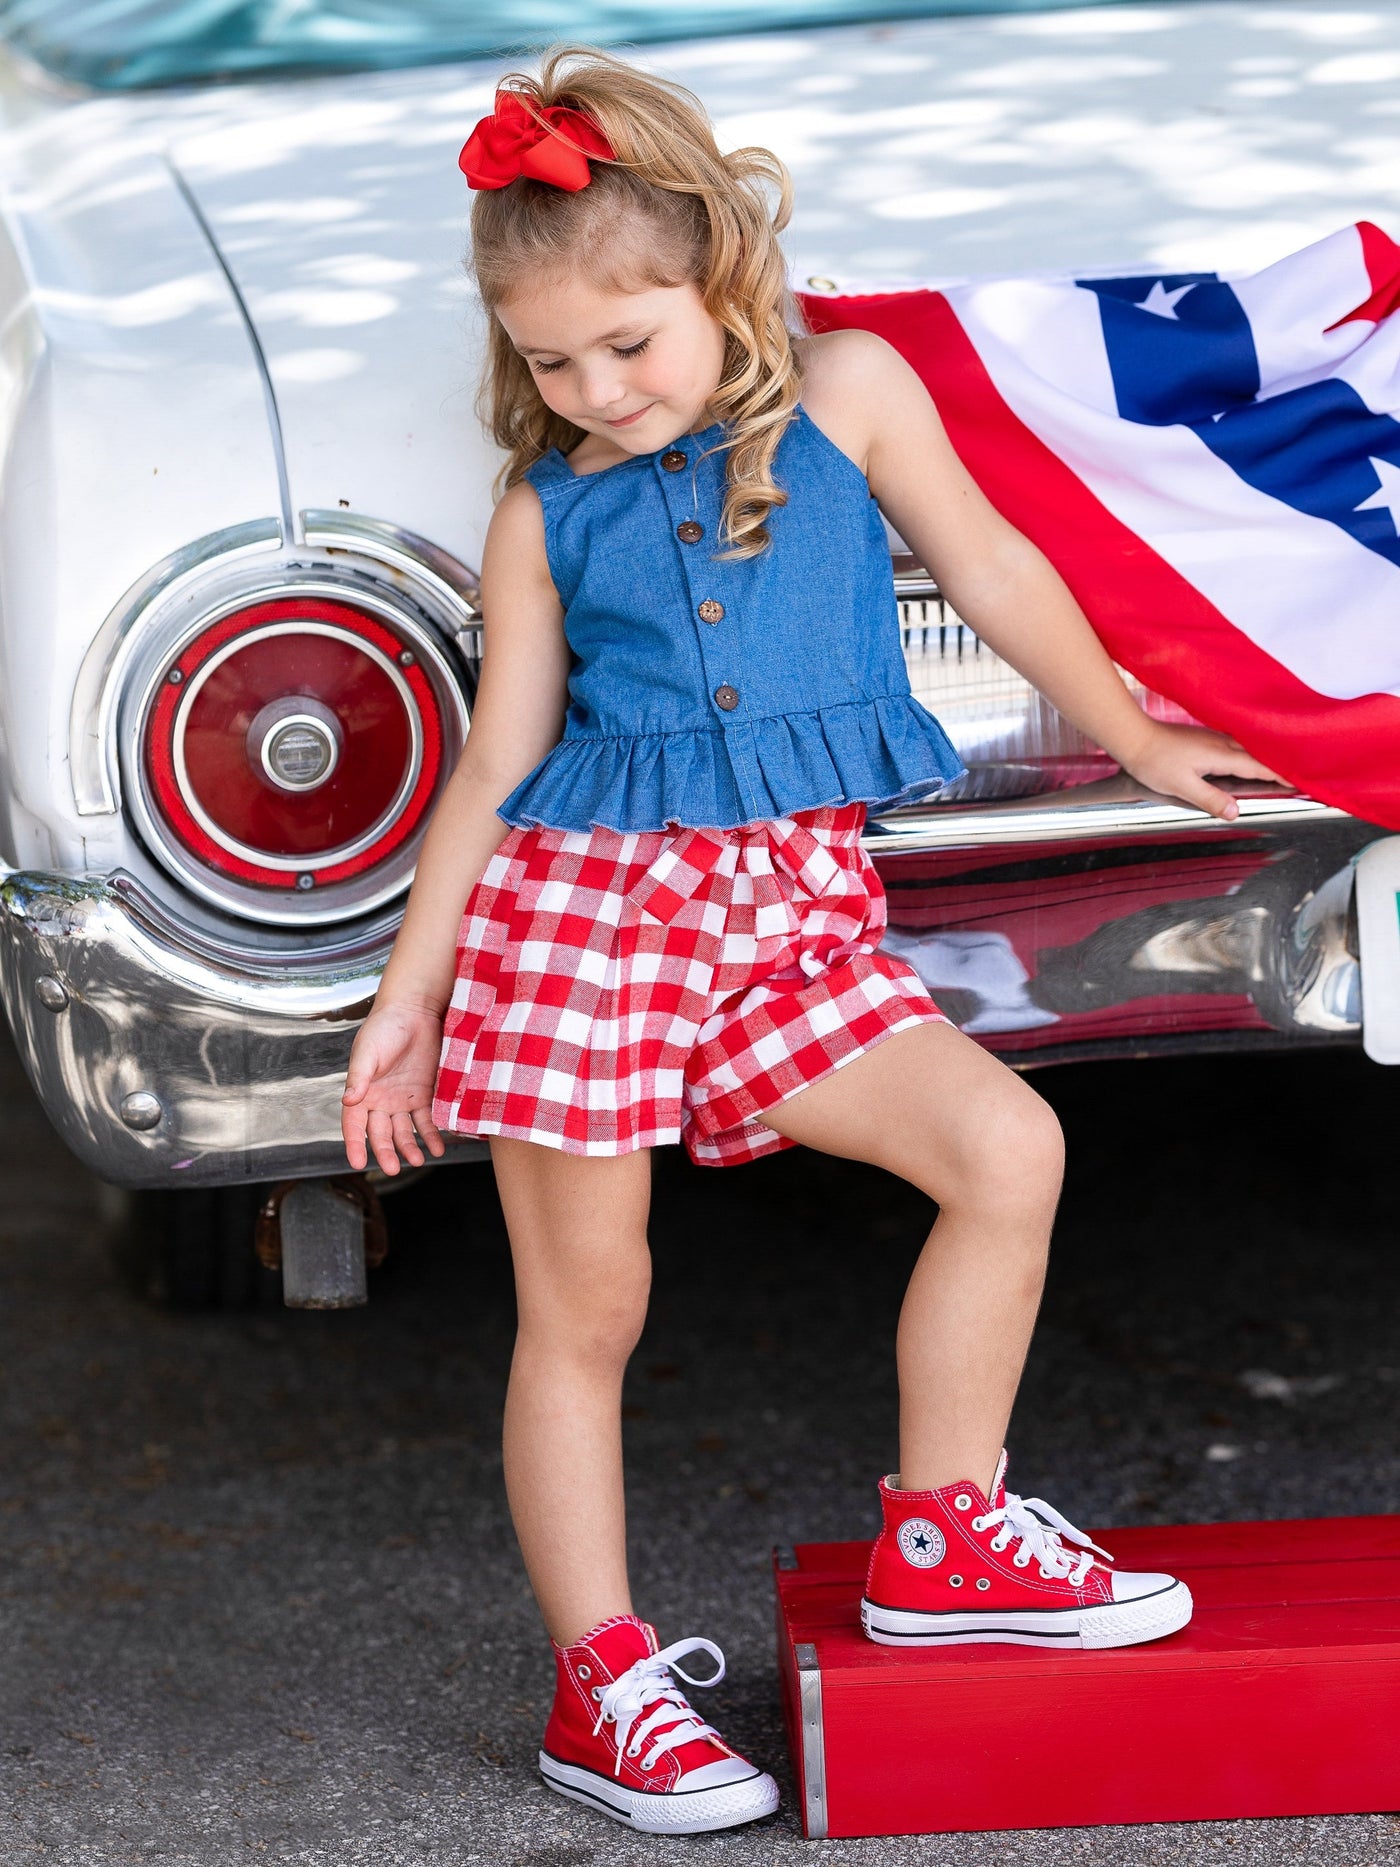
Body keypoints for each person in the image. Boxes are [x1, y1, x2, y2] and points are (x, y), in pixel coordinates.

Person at [341, 47, 1275, 1837]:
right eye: (552, 361)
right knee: (589, 1310)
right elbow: (497, 763)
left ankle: (940, 1529)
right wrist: (408, 999)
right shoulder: (547, 509)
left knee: (1009, 1147)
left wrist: (1139, 731)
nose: (599, 390)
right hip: (587, 923)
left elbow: (993, 566)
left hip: (790, 923)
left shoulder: (851, 393)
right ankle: (601, 1682)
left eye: (633, 342)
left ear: (724, 280)